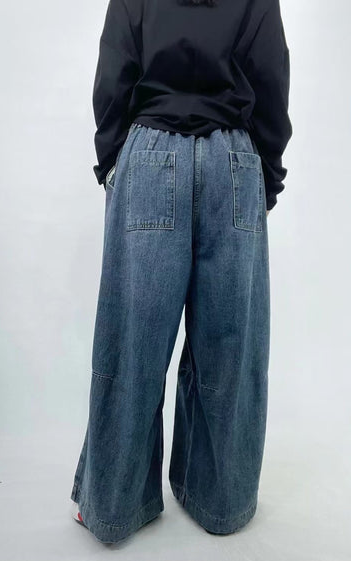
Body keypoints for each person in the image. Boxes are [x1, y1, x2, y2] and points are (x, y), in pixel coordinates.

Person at [70, 0, 292, 544]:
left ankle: (113, 504)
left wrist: (113, 162)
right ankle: (222, 502)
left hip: (151, 153)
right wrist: (266, 174)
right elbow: (271, 80)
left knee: (132, 343)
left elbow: (114, 76)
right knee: (231, 344)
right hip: (233, 160)